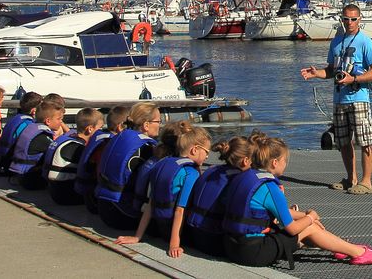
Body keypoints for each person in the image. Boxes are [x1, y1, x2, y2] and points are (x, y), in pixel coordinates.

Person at [222, 135, 372, 267]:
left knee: (308, 226)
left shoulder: (246, 177)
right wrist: (310, 217)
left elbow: (276, 212)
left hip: (231, 244)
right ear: (275, 162)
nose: (286, 165)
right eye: (285, 161)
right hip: (252, 252)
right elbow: (292, 229)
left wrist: (303, 215)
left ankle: (343, 247)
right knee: (310, 228)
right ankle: (358, 253)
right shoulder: (270, 188)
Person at [300, 3, 372, 194]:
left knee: (365, 140)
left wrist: (354, 78)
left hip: (359, 98)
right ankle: (350, 178)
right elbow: (331, 70)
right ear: (342, 19)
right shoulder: (337, 41)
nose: (350, 22)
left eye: (354, 19)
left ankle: (367, 182)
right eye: (346, 19)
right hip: (339, 100)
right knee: (343, 141)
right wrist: (316, 73)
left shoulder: (365, 41)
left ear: (360, 19)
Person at [116, 122, 212, 257]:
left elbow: (151, 204)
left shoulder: (163, 163)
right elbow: (180, 210)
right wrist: (174, 244)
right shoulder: (190, 173)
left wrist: (137, 236)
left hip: (161, 227)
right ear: (194, 150)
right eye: (206, 152)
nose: (207, 156)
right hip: (179, 233)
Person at [183, 134, 257, 257]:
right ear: (245, 160)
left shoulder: (212, 170)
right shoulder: (239, 179)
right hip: (216, 241)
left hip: (195, 234)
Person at [95, 102, 160, 230]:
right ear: (146, 125)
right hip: (123, 214)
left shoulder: (118, 136)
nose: (160, 125)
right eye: (158, 121)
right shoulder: (145, 148)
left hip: (104, 206)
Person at [44, 107, 105, 205]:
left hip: (55, 191)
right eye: (100, 128)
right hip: (68, 196)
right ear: (90, 129)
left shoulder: (68, 141)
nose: (102, 132)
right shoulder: (78, 148)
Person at [75, 106, 129, 213]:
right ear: (120, 127)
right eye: (130, 127)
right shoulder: (107, 145)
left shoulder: (99, 140)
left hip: (90, 197)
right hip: (98, 202)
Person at [8, 100, 66, 189]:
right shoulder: (43, 137)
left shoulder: (32, 128)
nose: (61, 122)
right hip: (32, 180)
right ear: (48, 121)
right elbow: (57, 152)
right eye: (59, 119)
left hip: (21, 175)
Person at [0, 91, 44, 175]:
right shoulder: (28, 124)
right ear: (34, 110)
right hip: (11, 163)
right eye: (42, 108)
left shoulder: (15, 118)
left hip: (2, 159)